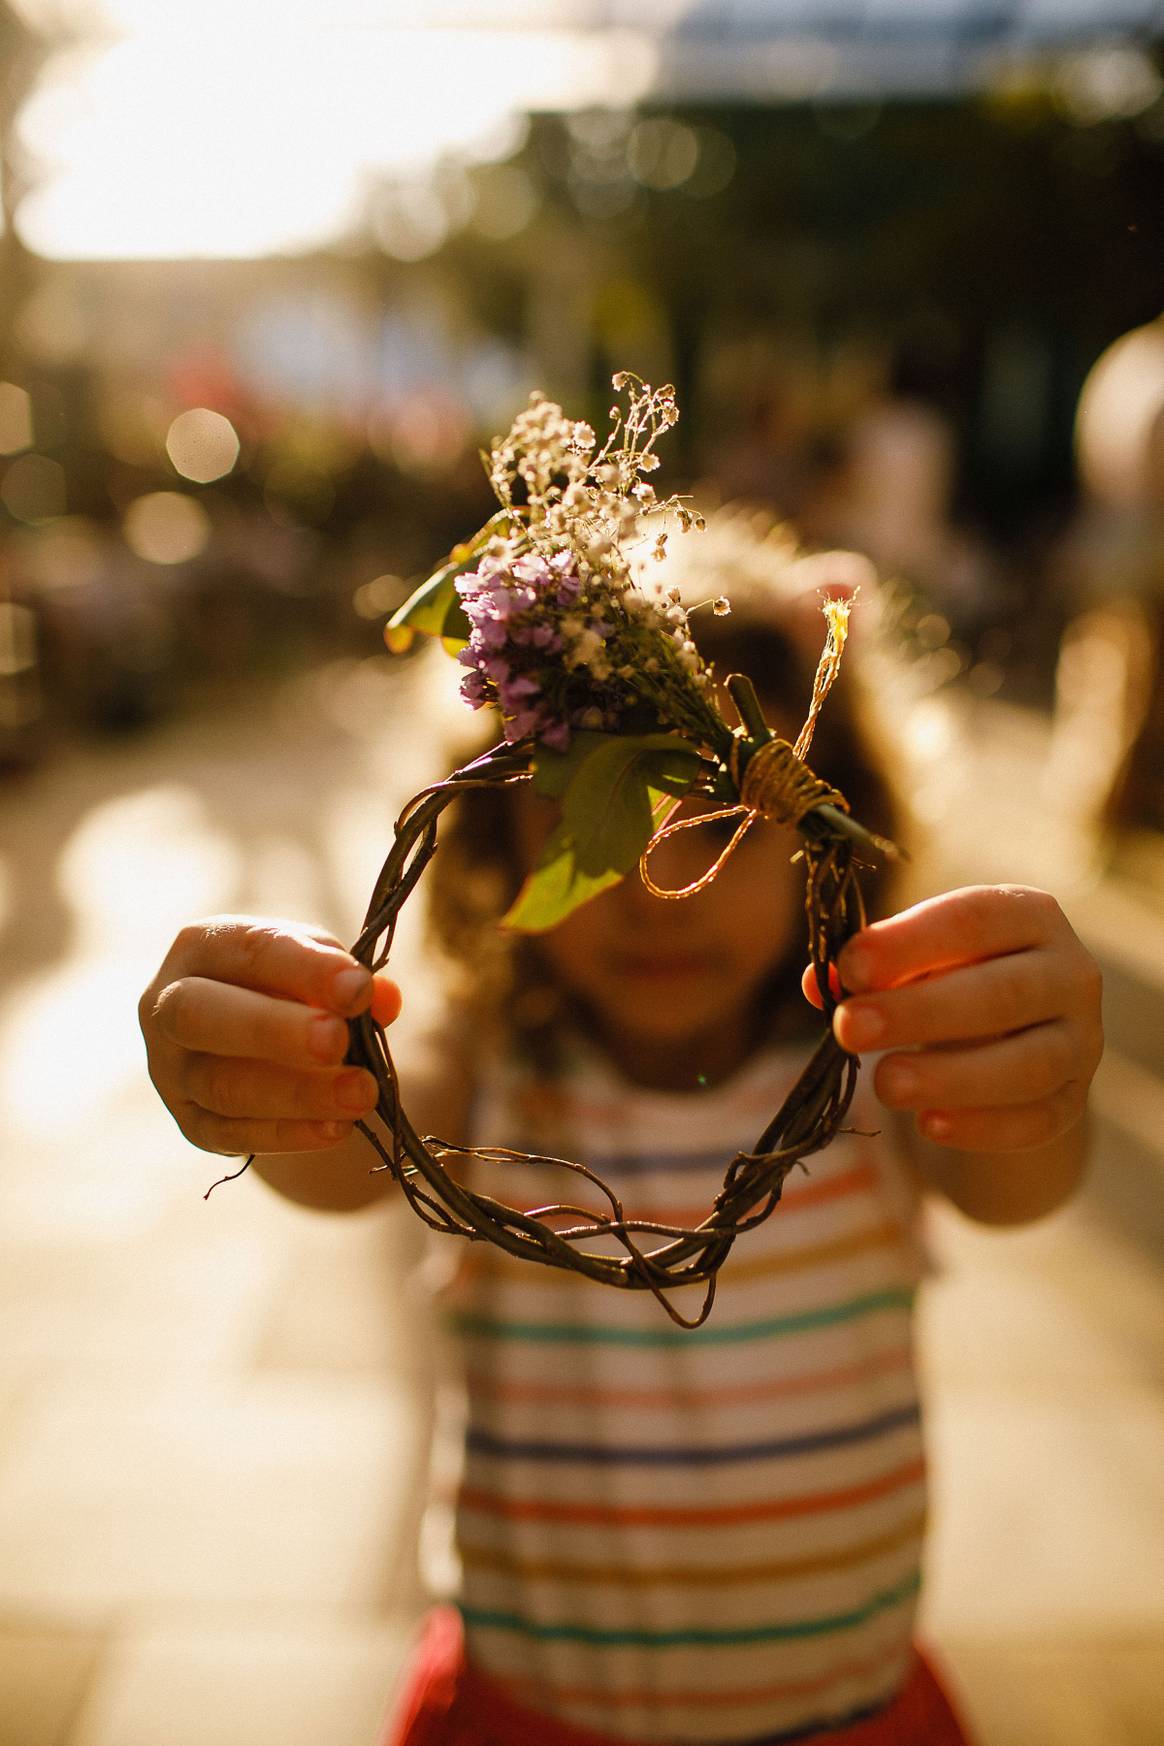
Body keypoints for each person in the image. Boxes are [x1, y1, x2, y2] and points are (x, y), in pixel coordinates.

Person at [139, 516, 1103, 1746]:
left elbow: (1018, 1178)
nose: (655, 886)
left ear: (825, 829)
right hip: (526, 1715)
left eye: (715, 824)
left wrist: (1035, 1072)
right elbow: (344, 1154)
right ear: (504, 838)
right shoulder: (485, 1070)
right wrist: (276, 1072)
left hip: (846, 1717)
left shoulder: (876, 1066)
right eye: (593, 818)